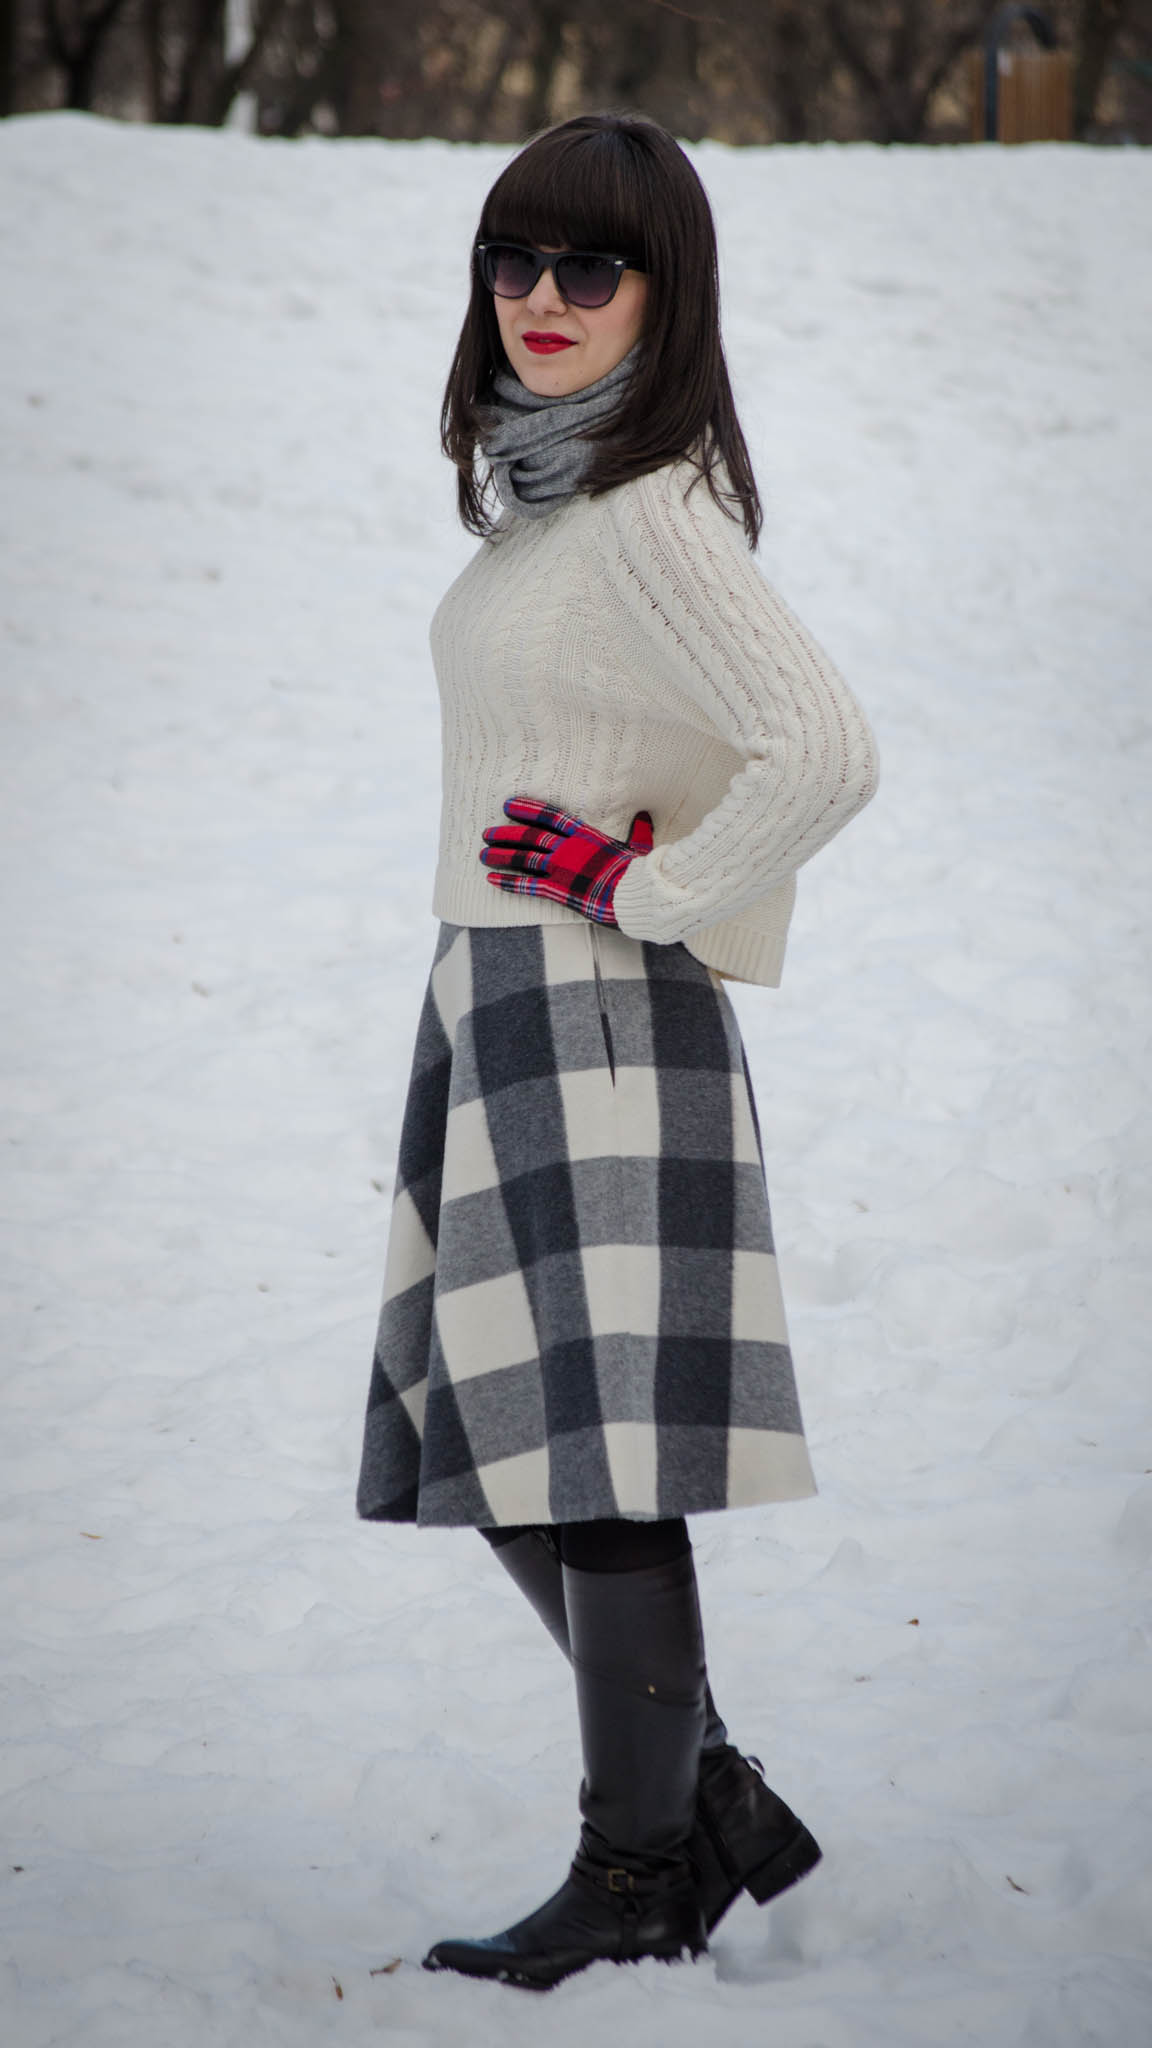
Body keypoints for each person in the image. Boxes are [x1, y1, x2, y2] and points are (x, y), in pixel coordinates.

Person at [356, 111, 879, 1991]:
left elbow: (822, 749)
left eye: (594, 267)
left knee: (581, 1466)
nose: (546, 300)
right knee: (505, 1450)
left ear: (667, 293)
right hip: (502, 1002)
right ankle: (703, 1800)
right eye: (517, 262)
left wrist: (647, 892)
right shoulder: (556, 506)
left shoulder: (656, 514)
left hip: (589, 1011)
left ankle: (643, 1870)